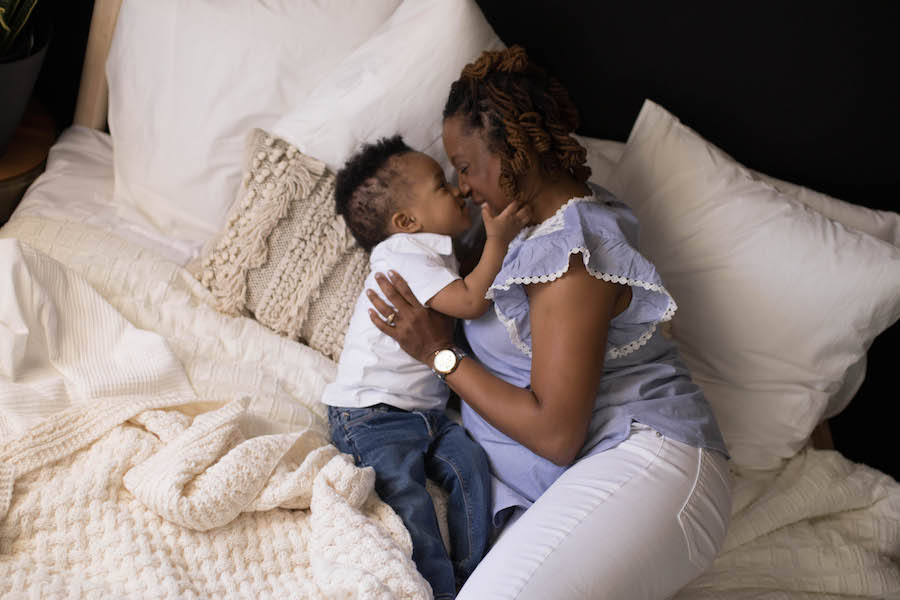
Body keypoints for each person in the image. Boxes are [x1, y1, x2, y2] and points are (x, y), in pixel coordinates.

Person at [364, 46, 734, 600]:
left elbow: (557, 435)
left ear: (514, 148)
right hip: (602, 465)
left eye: (464, 167)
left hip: (653, 458)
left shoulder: (572, 258)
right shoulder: (525, 229)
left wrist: (440, 356)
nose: (461, 186)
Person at [322, 135, 531, 599]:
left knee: (471, 467)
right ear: (406, 222)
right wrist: (499, 238)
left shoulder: (436, 254)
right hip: (372, 414)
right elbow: (471, 301)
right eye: (441, 183)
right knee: (409, 501)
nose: (458, 188)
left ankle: (470, 575)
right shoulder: (402, 255)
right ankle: (436, 591)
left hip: (427, 414)